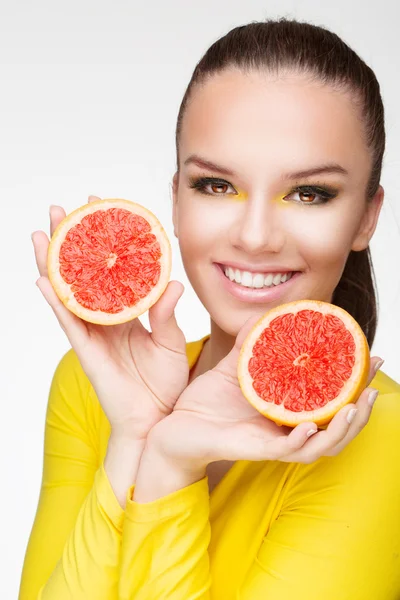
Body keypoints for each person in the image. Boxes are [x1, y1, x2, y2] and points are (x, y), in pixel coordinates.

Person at [19, 17, 400, 600]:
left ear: (366, 217)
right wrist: (136, 440)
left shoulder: (377, 433)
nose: (254, 236)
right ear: (175, 197)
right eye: (217, 186)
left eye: (310, 193)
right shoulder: (90, 388)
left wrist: (170, 468)